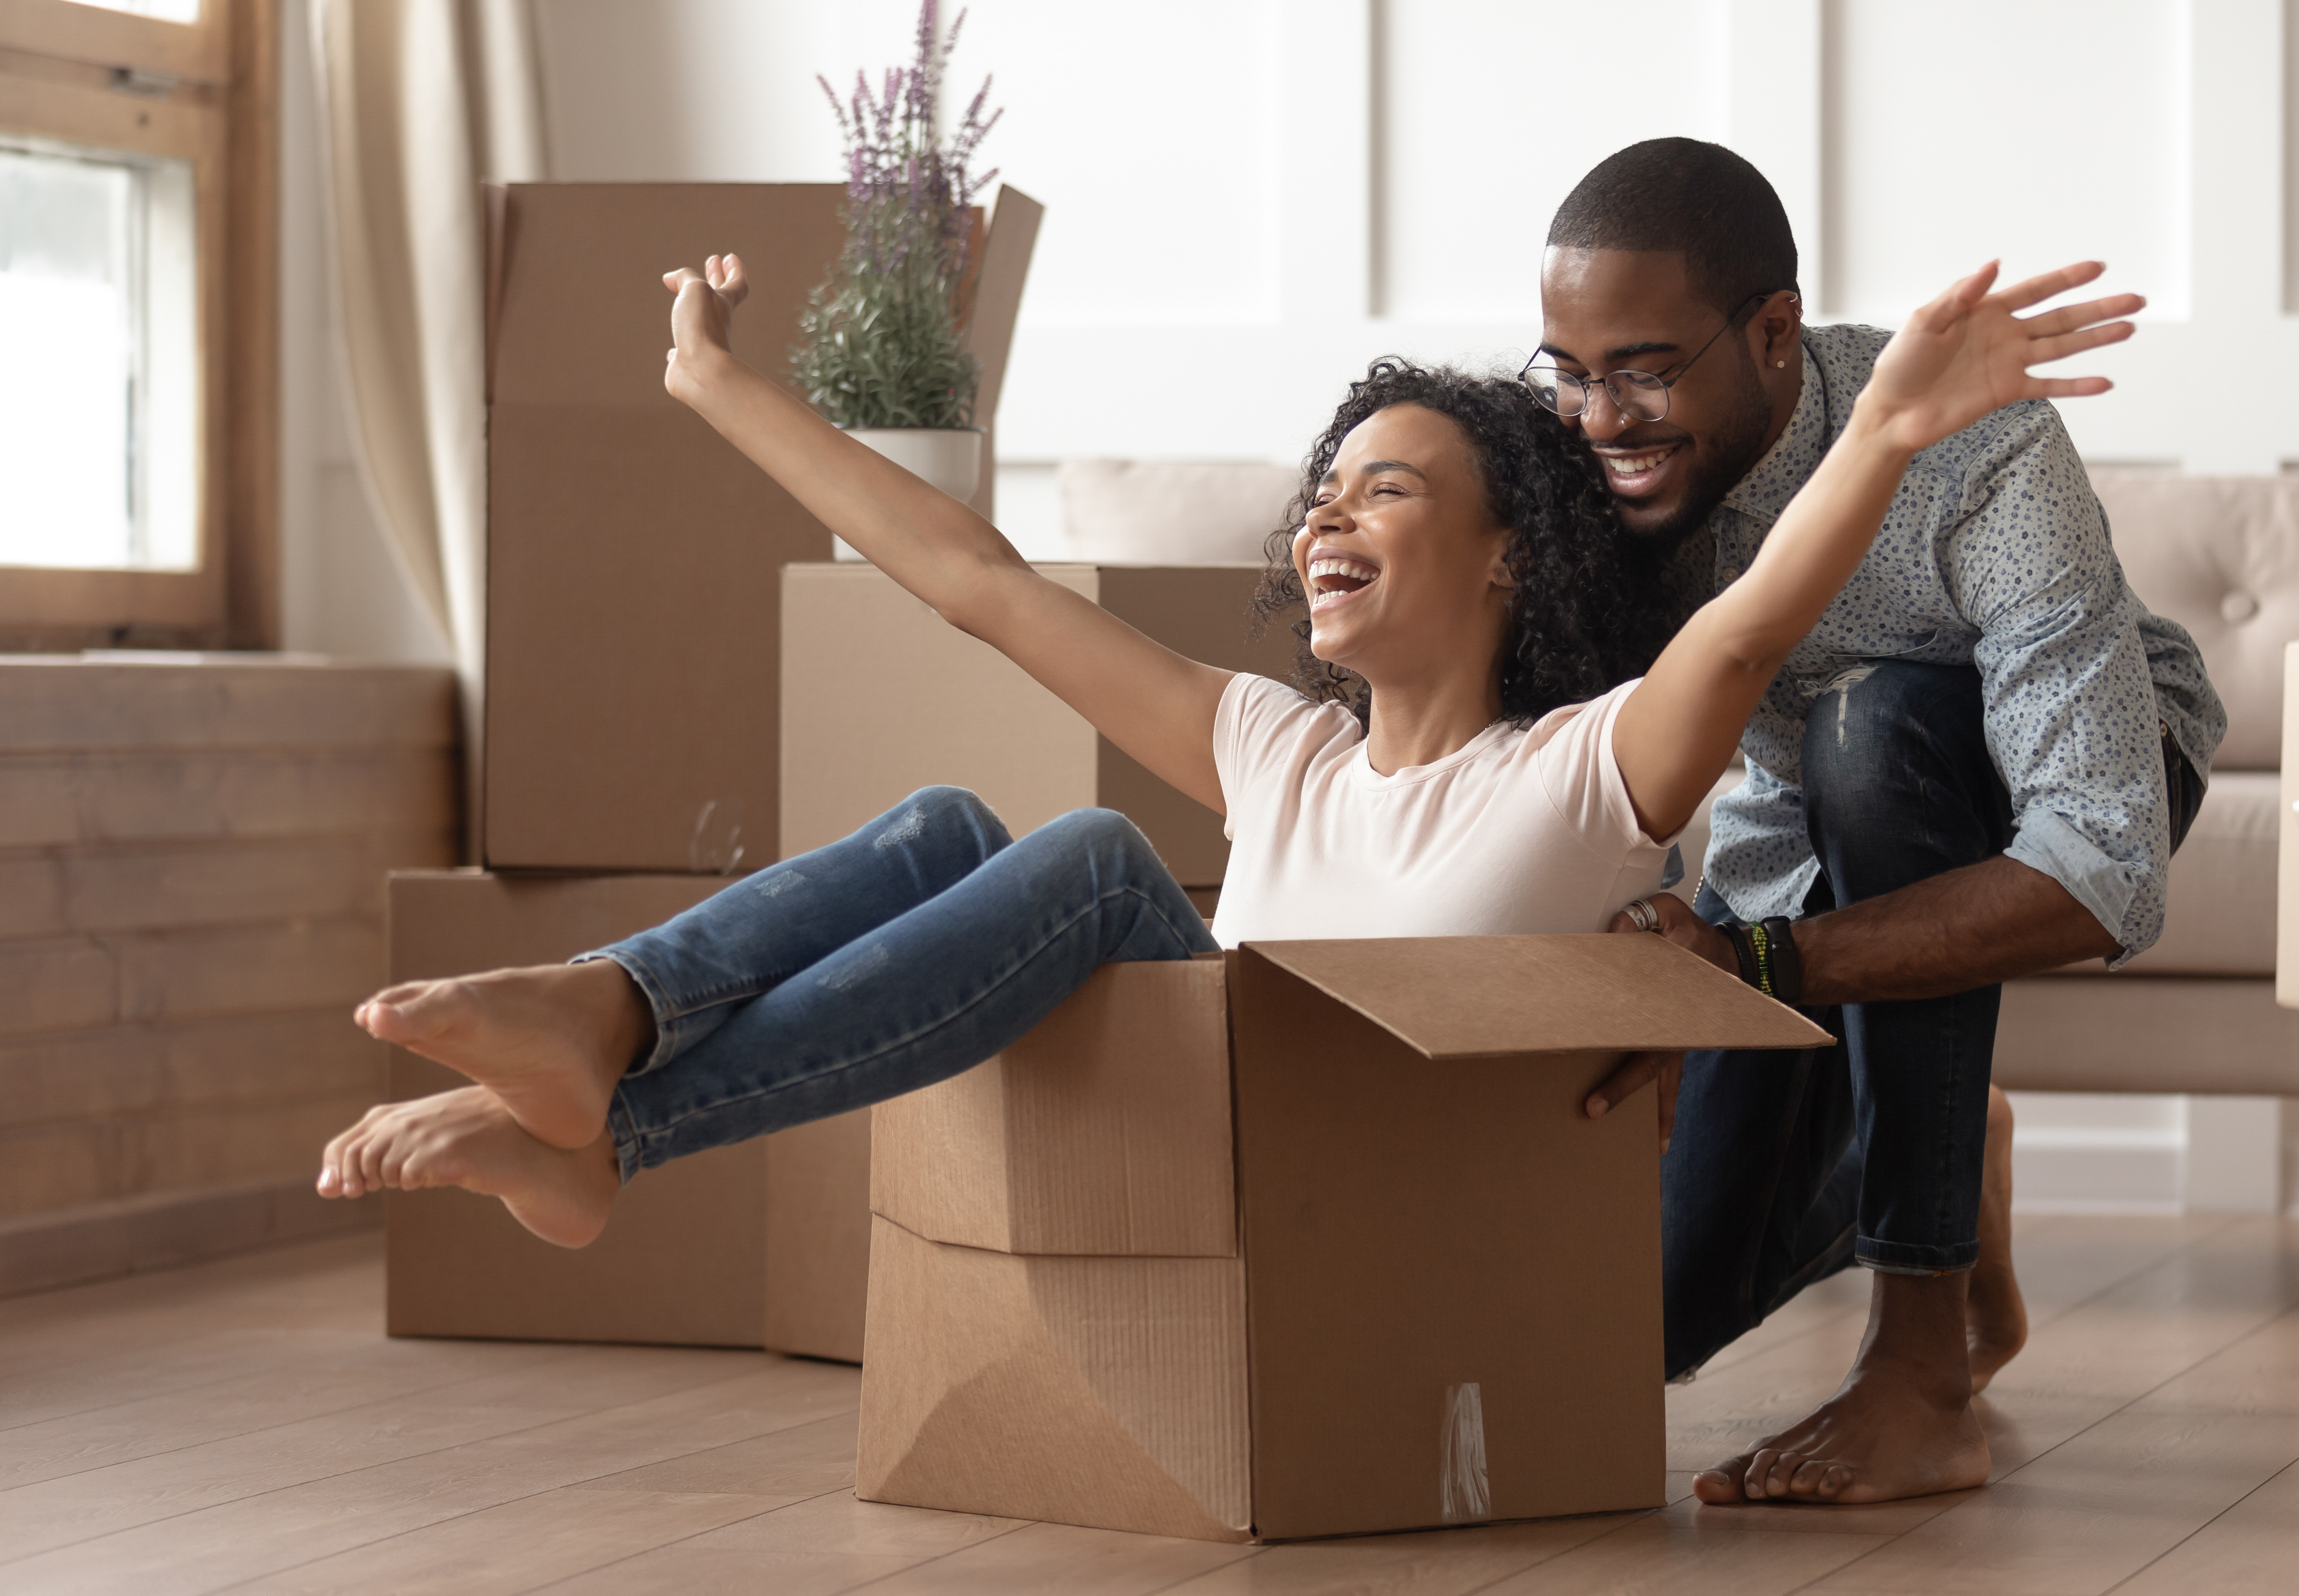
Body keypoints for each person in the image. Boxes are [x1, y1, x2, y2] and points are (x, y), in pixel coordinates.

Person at [314, 249, 2146, 1277]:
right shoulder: (1272, 744)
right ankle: (607, 1042)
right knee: (961, 819)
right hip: (1209, 1190)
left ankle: (607, 1083)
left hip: (1377, 1219)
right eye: (1321, 493)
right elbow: (972, 581)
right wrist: (718, 389)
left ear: (1510, 550)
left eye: (1390, 488)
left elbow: (1741, 638)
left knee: (1105, 867)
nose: (1328, 516)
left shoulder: (1579, 771)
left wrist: (1892, 424)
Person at [1549, 140, 2225, 1506]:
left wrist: (1747, 972)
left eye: (1643, 368)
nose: (1602, 419)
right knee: (1647, 1318)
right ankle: (1941, 1132)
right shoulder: (1586, 469)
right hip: (1779, 845)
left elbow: (2100, 865)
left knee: (1876, 731)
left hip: (2063, 776)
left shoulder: (1973, 438)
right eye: (1568, 371)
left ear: (1774, 332)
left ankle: (1920, 1366)